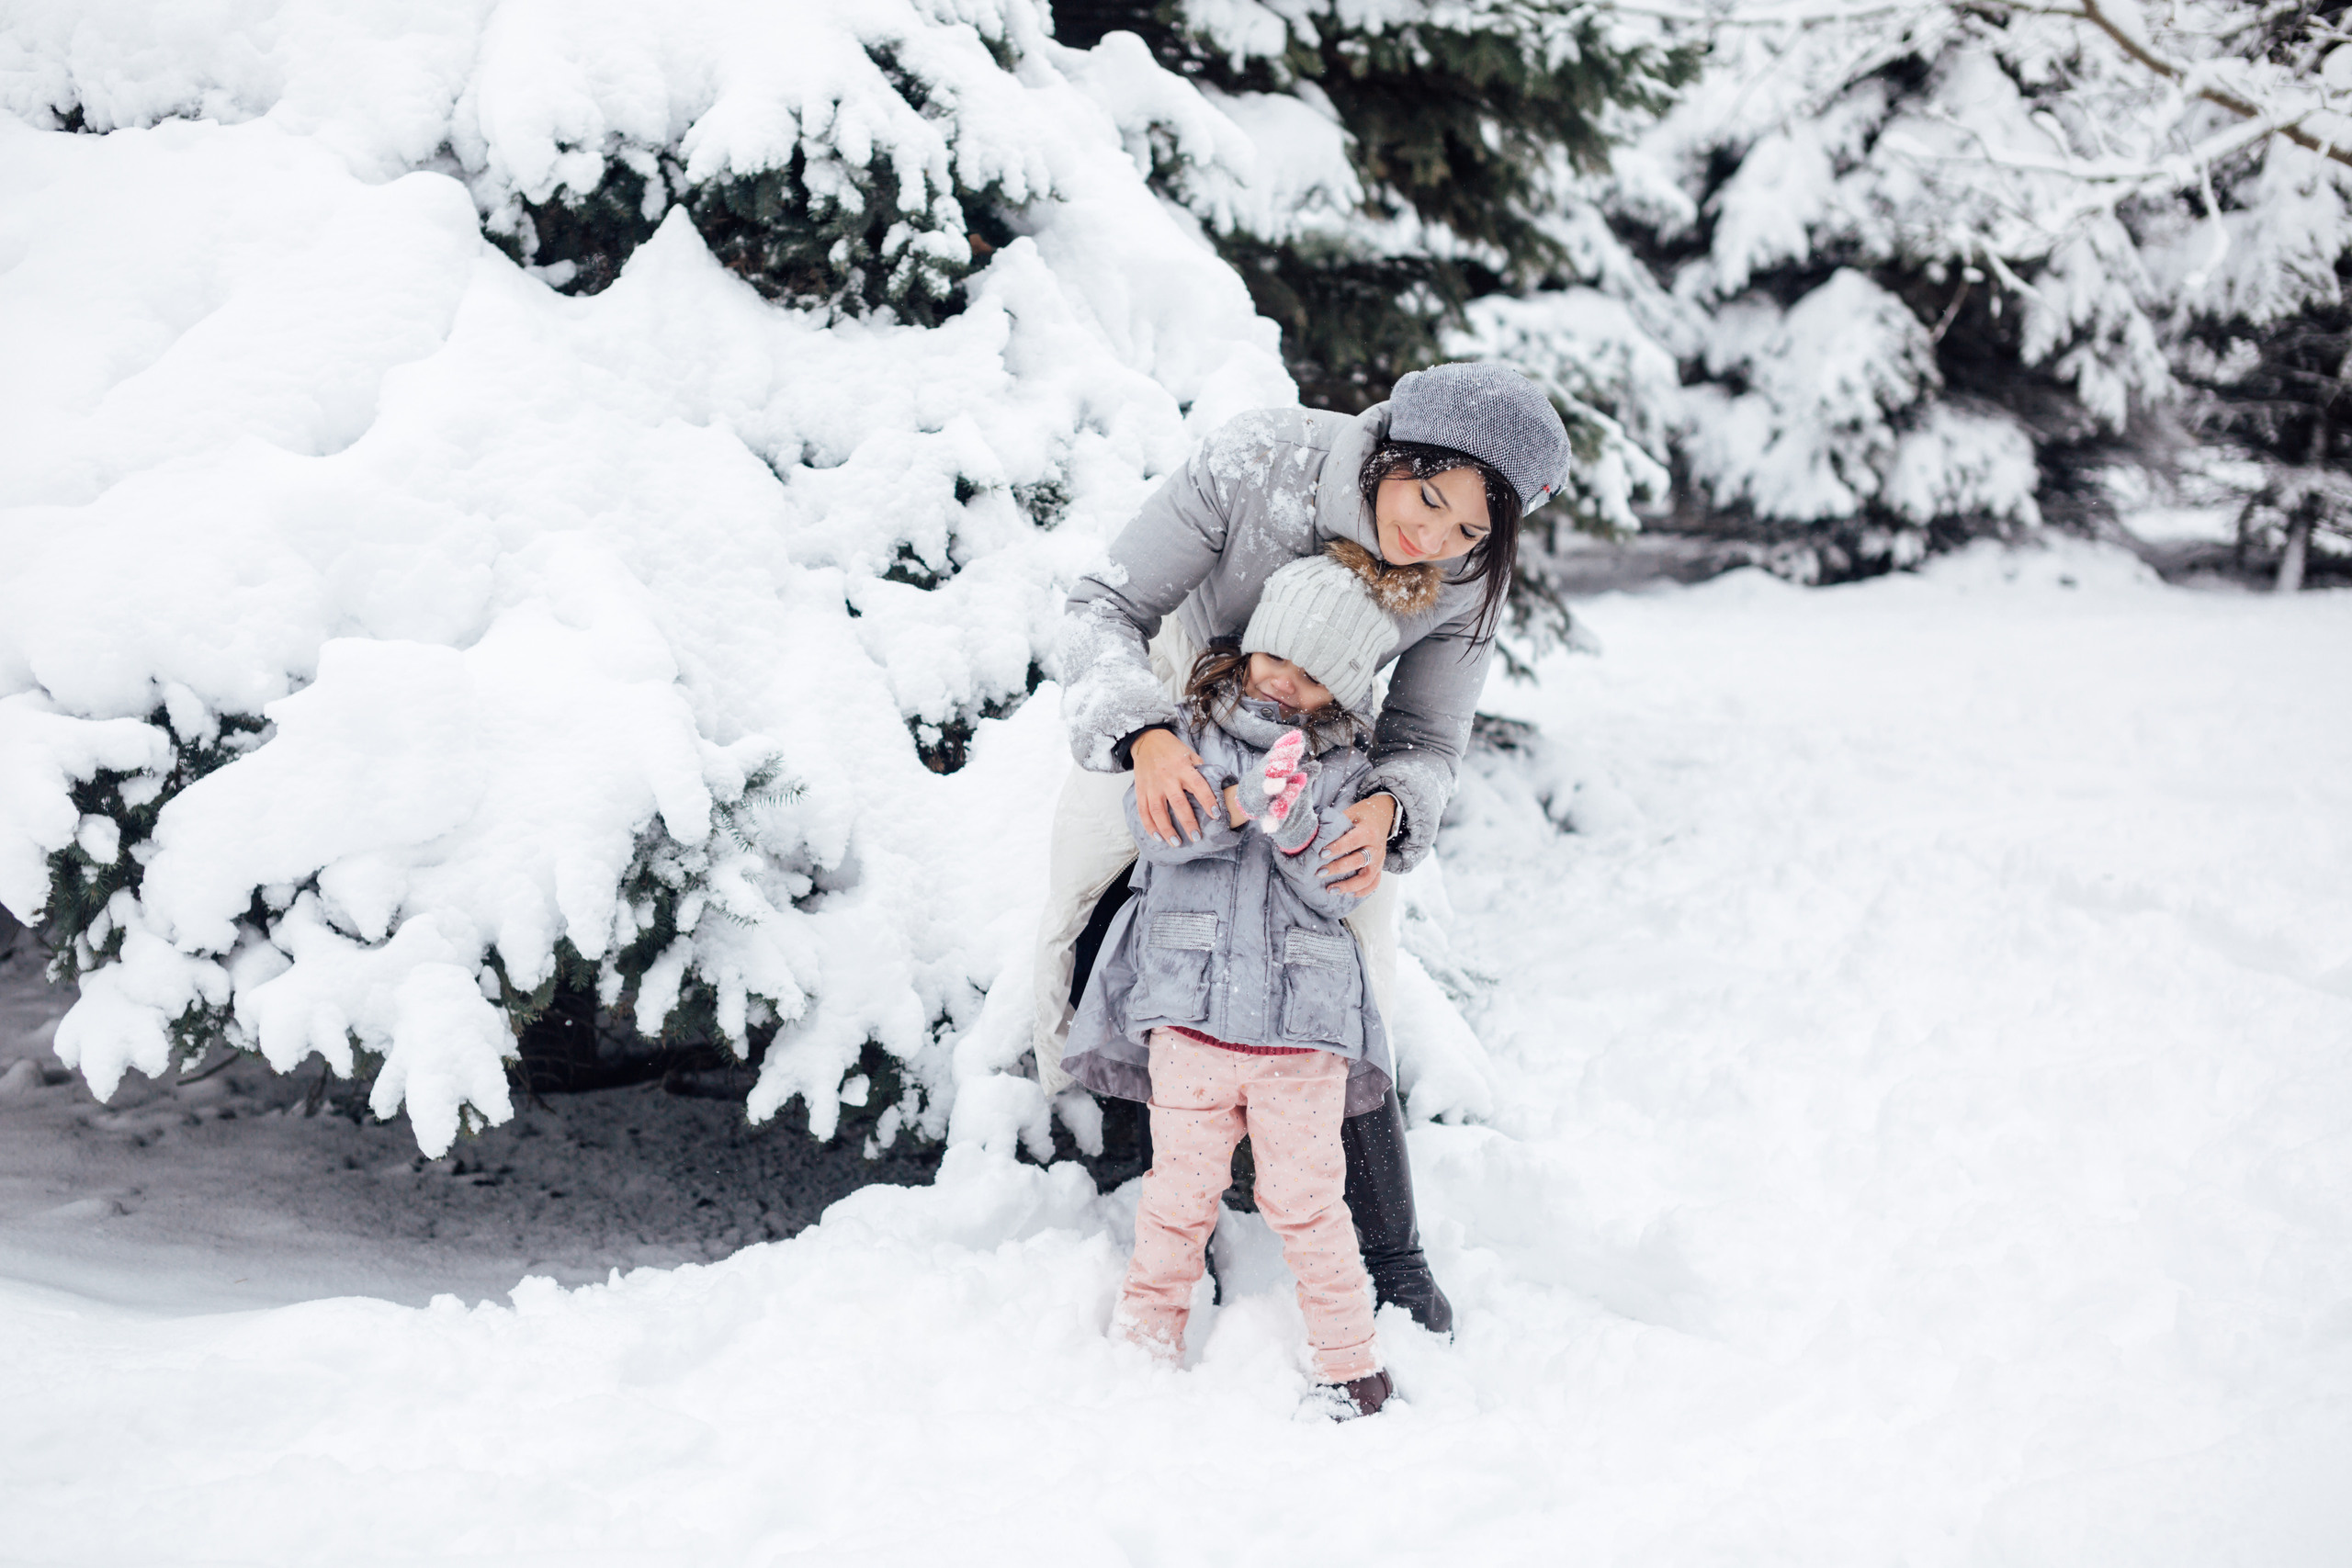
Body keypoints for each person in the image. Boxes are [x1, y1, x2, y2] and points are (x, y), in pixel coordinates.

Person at [1039, 361, 1574, 1335]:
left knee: (1347, 957)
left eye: (1470, 530)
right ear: (1392, 449)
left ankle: (1393, 1259)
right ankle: (1149, 1192)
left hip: (1327, 738)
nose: (1436, 538)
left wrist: (1384, 814)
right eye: (1427, 497)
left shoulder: (1459, 581)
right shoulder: (1259, 461)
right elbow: (1102, 606)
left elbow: (1427, 741)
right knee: (1096, 903)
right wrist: (1146, 738)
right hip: (1173, 691)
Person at [1062, 547, 1410, 1416]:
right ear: (1252, 643)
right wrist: (1237, 803)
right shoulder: (1187, 736)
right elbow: (1161, 839)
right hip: (1191, 1014)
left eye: (1316, 673)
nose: (1287, 681)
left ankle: (1349, 1361)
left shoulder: (1350, 772)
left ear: (1344, 688)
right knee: (1178, 1196)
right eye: (1278, 656)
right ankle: (1143, 1348)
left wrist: (1295, 823)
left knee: (1306, 1199)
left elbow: (1342, 886)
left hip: (1301, 1030)